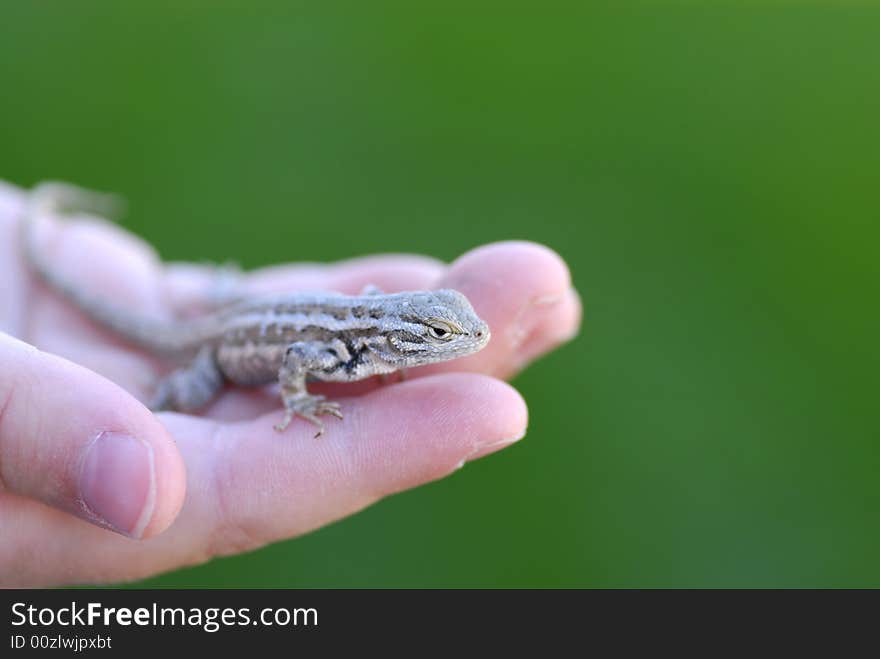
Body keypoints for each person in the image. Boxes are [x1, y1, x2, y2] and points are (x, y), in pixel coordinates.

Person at [0, 181, 581, 586]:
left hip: (247, 315)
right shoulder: (344, 349)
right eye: (438, 333)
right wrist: (298, 400)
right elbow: (298, 355)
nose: (467, 337)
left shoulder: (372, 330)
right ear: (400, 335)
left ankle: (52, 240)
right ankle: (163, 393)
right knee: (193, 393)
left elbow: (366, 310)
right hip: (219, 347)